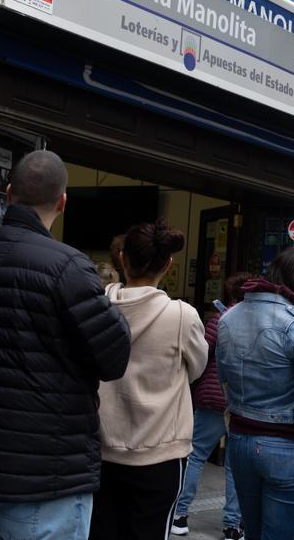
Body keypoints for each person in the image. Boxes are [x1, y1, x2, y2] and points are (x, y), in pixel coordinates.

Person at [0, 150, 131, 540]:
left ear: (9, 193)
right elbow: (113, 357)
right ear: (63, 202)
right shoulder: (69, 266)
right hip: (46, 476)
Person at [91, 221, 208, 540]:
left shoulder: (97, 306)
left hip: (99, 446)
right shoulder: (182, 316)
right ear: (168, 264)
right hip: (160, 454)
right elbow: (197, 369)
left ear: (122, 258)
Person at [217, 246, 294, 540]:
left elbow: (223, 379)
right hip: (289, 447)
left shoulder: (229, 318)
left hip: (241, 441)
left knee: (253, 532)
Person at [172, 272, 250, 539]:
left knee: (195, 454)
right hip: (240, 400)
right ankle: (232, 526)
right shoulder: (254, 322)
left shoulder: (220, 318)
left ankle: (180, 514)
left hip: (213, 397)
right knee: (234, 464)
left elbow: (201, 354)